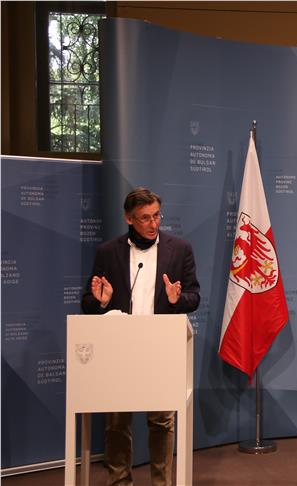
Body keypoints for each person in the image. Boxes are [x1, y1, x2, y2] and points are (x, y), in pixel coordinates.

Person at [81, 187, 200, 486]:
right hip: (120, 349)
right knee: (117, 422)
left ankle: (161, 482)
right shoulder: (108, 252)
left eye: (157, 215)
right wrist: (103, 301)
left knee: (161, 421)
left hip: (160, 347)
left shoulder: (180, 249)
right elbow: (88, 302)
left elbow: (194, 296)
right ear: (129, 219)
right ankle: (120, 481)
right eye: (145, 218)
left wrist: (177, 300)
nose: (153, 223)